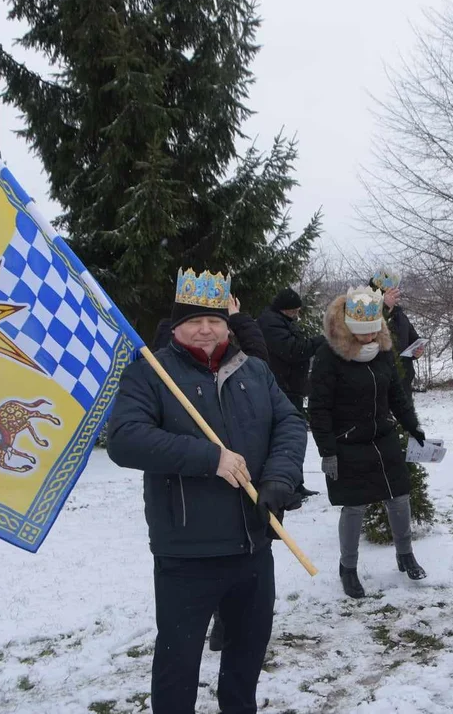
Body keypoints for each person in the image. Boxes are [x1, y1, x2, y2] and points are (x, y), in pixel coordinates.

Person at [107, 268, 307, 714]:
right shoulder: (150, 373)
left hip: (254, 543)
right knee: (178, 665)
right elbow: (124, 438)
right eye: (194, 320)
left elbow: (291, 423)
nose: (205, 328)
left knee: (247, 655)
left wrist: (279, 478)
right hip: (186, 552)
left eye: (214, 320)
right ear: (176, 325)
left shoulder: (254, 370)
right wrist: (210, 459)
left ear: (227, 323)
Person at [308, 286, 428, 599]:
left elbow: (396, 395)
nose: (368, 338)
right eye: (362, 332)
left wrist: (412, 426)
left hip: (382, 436)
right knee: (354, 507)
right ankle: (348, 568)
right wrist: (327, 451)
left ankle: (405, 555)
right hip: (348, 442)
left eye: (373, 331)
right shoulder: (328, 357)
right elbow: (318, 408)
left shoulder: (384, 352)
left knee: (399, 496)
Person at [257, 287, 326, 416]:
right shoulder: (271, 323)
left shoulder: (283, 321)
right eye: (294, 311)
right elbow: (292, 350)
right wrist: (319, 341)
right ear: (284, 309)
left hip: (289, 387)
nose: (297, 315)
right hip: (283, 388)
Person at [370, 268, 424, 394]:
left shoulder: (400, 316)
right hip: (379, 384)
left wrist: (418, 351)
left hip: (403, 384)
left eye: (395, 292)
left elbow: (414, 340)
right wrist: (384, 307)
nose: (395, 296)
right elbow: (368, 335)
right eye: (390, 293)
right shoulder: (367, 314)